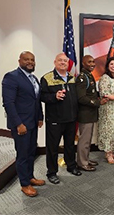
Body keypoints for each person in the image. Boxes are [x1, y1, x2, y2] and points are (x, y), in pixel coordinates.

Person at [2, 51, 44, 197]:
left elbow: (36, 101)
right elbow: (8, 103)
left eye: (32, 60)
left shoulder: (34, 79)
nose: (30, 62)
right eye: (26, 59)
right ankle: (24, 184)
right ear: (19, 60)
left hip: (32, 123)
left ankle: (30, 177)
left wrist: (40, 117)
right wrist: (18, 124)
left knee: (31, 151)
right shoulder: (11, 77)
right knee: (23, 154)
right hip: (21, 125)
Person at [40, 53, 81, 185]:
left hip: (70, 119)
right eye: (60, 61)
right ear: (55, 62)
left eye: (65, 61)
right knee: (52, 148)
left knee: (69, 145)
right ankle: (51, 172)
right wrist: (54, 96)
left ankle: (71, 166)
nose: (63, 63)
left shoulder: (72, 78)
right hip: (55, 120)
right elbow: (41, 97)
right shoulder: (47, 78)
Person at [76, 55, 108, 171]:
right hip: (85, 114)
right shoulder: (82, 78)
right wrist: (97, 102)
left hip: (90, 113)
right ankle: (82, 163)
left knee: (88, 140)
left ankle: (86, 159)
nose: (92, 64)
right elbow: (81, 98)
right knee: (84, 140)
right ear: (83, 63)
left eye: (93, 62)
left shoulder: (88, 75)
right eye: (89, 62)